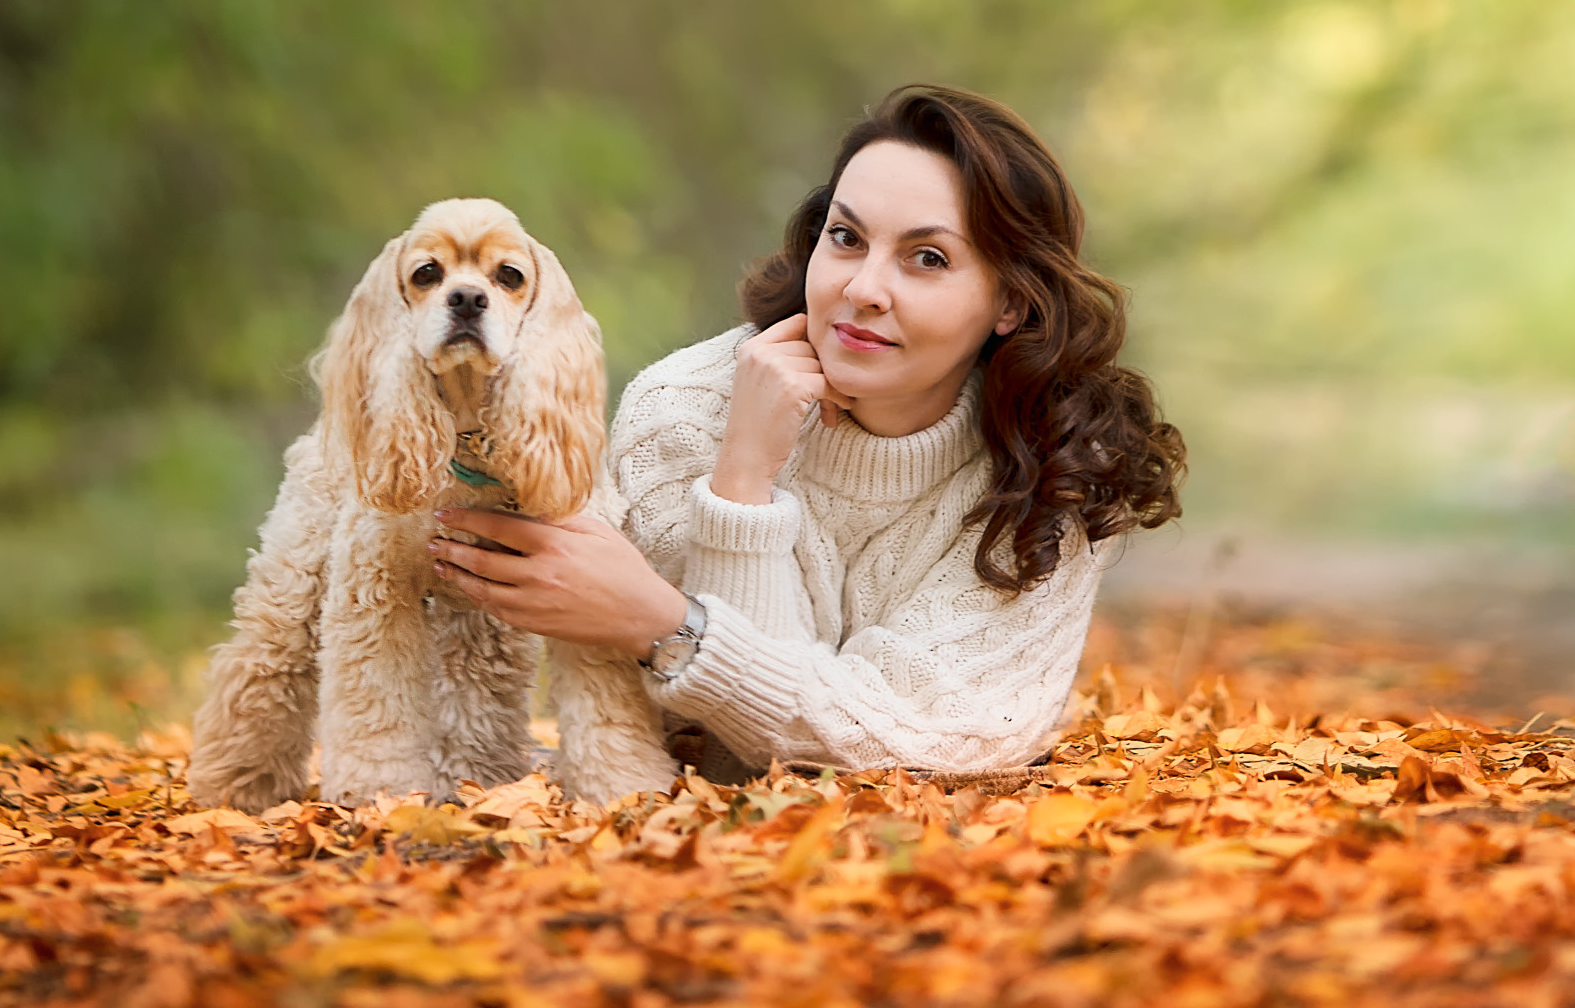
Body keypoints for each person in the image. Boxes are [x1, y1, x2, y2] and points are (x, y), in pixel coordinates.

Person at [431, 84, 1185, 779]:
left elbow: (914, 740)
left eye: (927, 259)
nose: (861, 290)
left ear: (1010, 304)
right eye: (847, 238)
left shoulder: (1054, 473)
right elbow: (728, 760)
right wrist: (743, 470)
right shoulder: (682, 409)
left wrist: (662, 620)